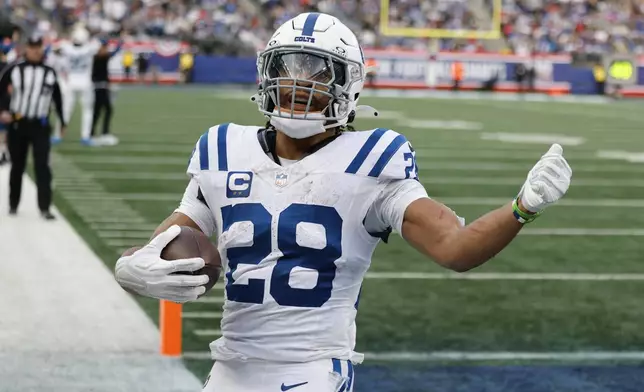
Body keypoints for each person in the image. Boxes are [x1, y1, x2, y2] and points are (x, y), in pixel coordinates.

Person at [113, 13, 572, 392]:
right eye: (288, 67)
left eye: (316, 71)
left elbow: (454, 248)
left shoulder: (373, 160)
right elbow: (169, 242)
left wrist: (523, 207)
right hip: (231, 367)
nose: (298, 83)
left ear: (349, 84)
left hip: (313, 370)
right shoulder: (221, 148)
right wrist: (134, 265)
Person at [0, 33, 66, 220]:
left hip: (40, 125)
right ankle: (13, 203)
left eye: (38, 47)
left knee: (43, 166)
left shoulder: (49, 72)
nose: (36, 50)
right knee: (17, 166)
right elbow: (1, 90)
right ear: (26, 48)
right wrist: (2, 110)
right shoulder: (14, 70)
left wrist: (63, 121)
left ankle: (44, 207)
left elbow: (58, 97)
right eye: (32, 47)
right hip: (18, 124)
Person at [56, 27, 100, 145]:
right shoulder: (90, 47)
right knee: (87, 110)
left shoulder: (66, 47)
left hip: (71, 82)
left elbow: (56, 49)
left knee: (65, 109)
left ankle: (59, 135)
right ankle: (85, 136)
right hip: (85, 82)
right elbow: (97, 45)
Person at [90, 38, 122, 146]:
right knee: (105, 110)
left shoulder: (96, 57)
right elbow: (114, 52)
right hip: (100, 87)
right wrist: (120, 43)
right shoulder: (101, 57)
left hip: (98, 87)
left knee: (98, 111)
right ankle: (103, 133)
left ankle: (93, 132)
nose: (106, 48)